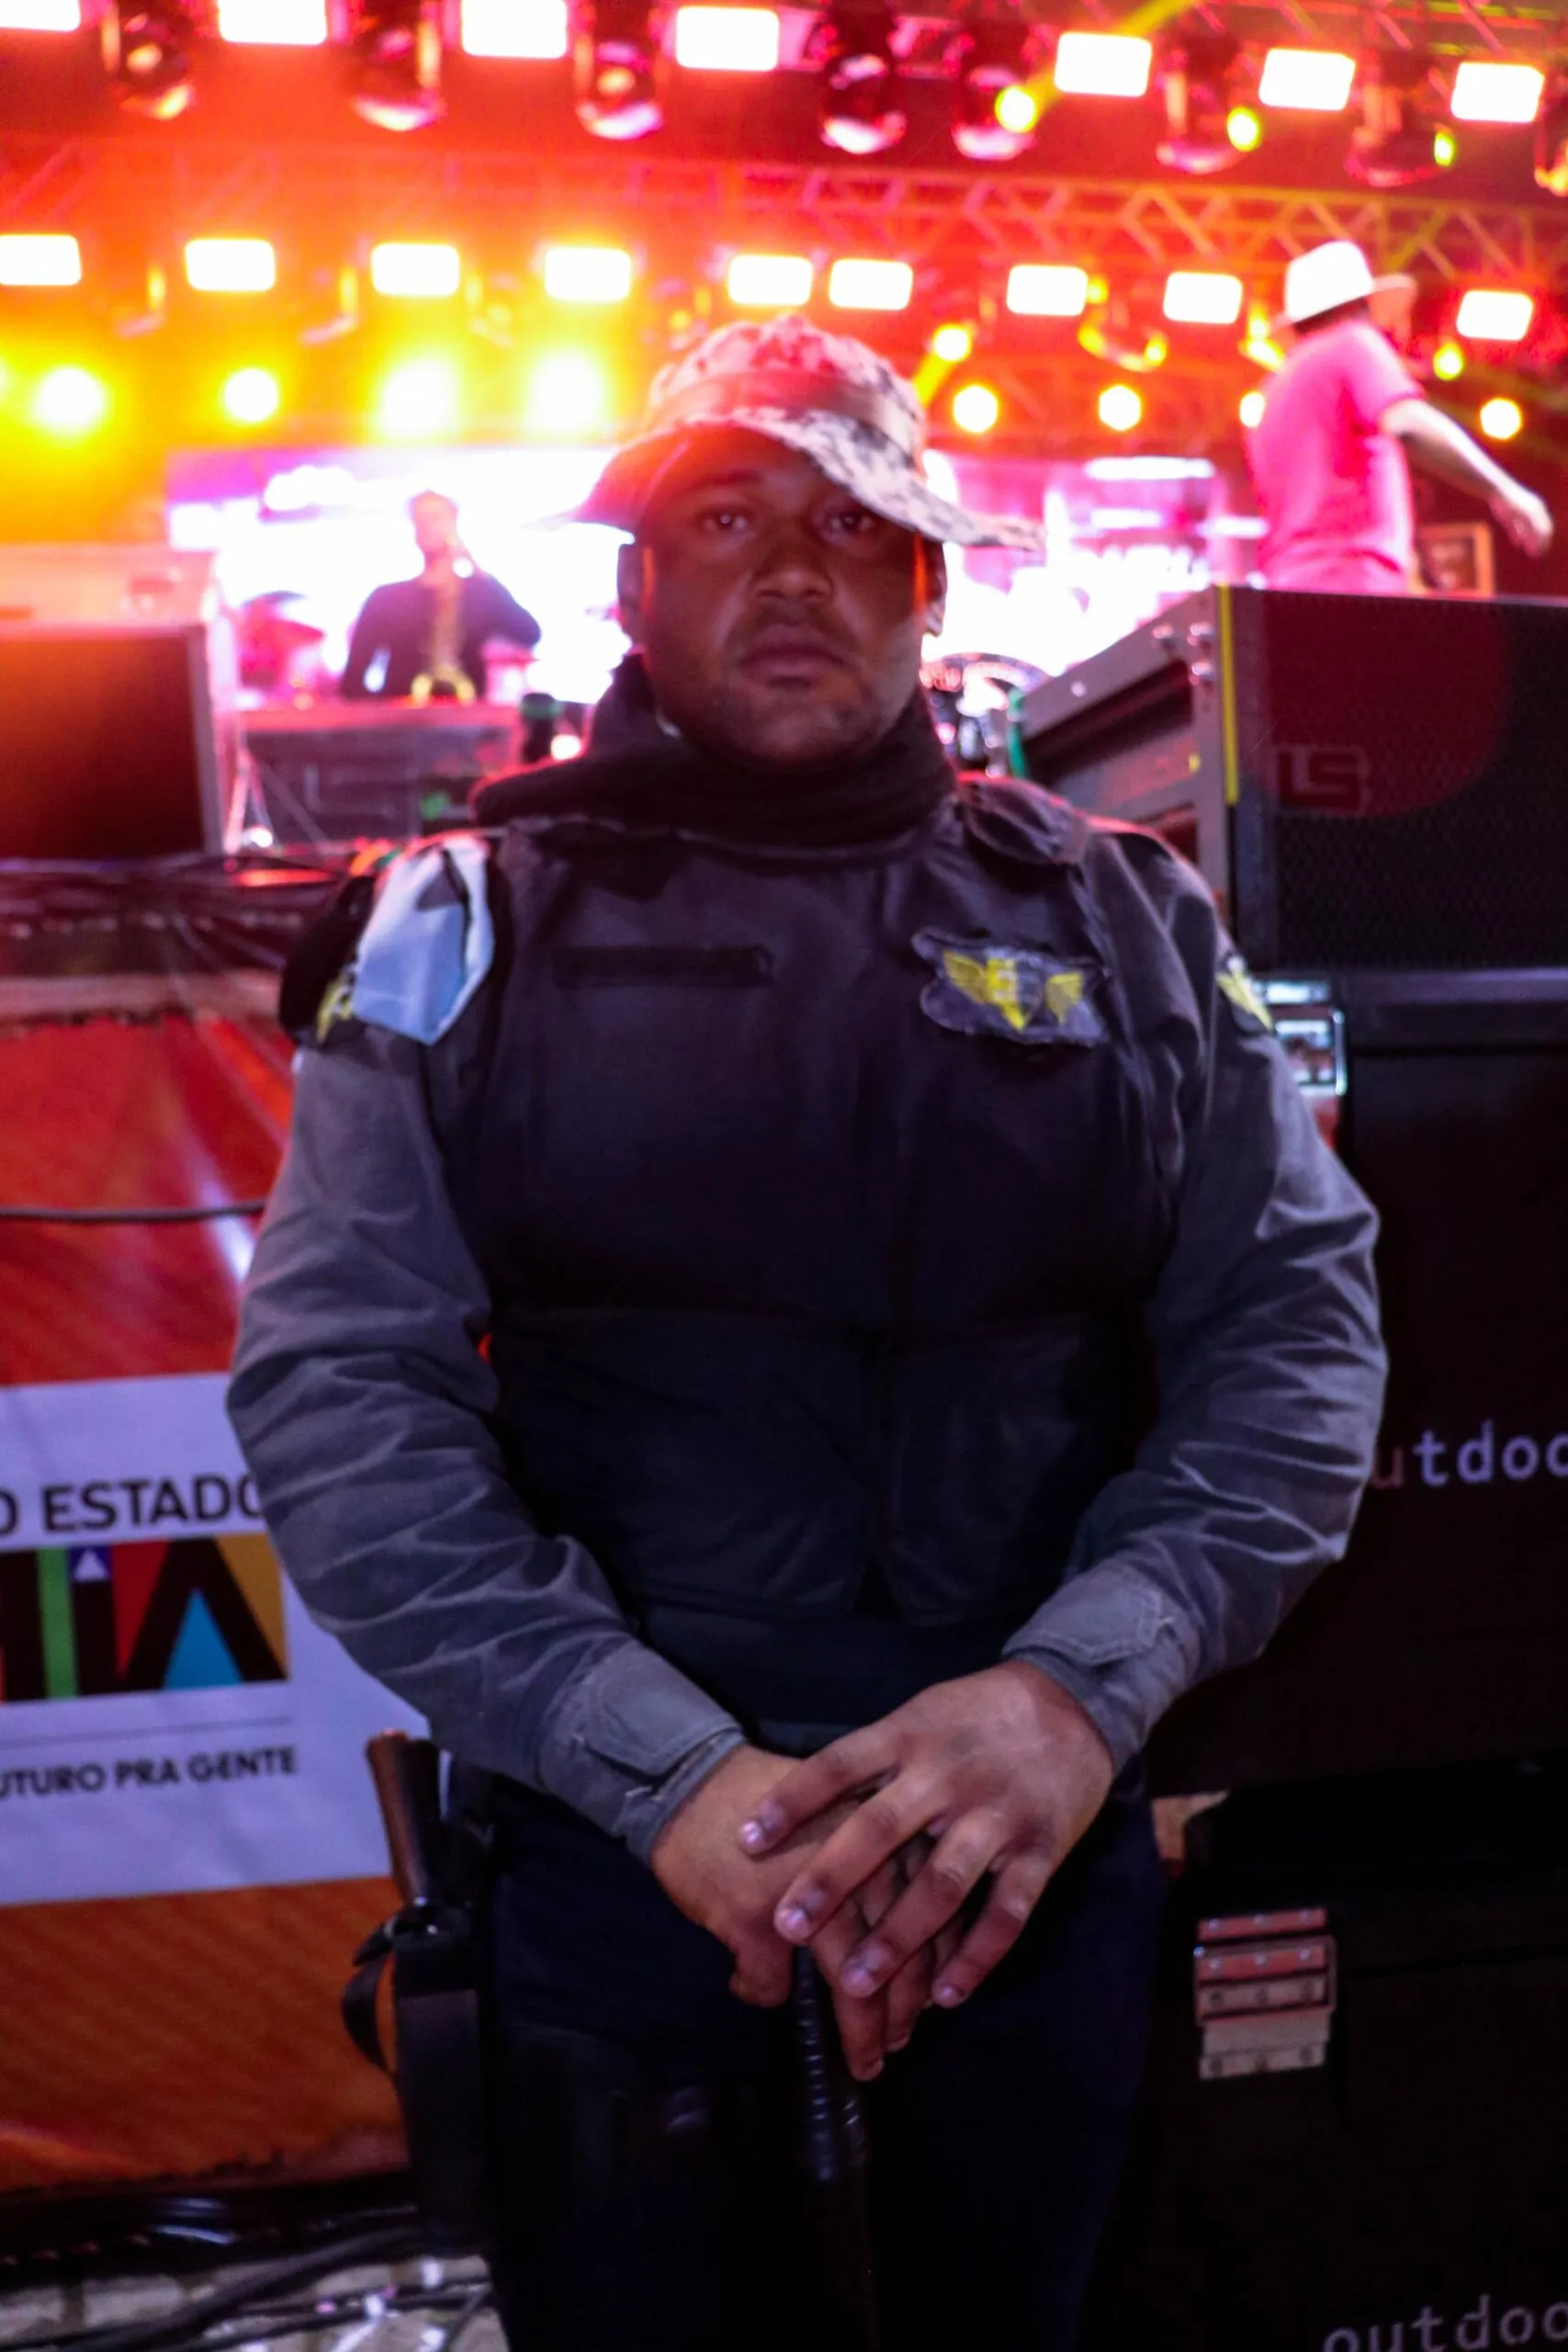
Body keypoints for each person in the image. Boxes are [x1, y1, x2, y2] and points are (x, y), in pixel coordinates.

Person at [230, 317, 1386, 2351]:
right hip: (624, 1873)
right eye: (724, 521)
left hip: (1034, 1850)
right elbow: (343, 1391)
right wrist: (674, 1780)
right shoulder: (460, 920)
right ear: (630, 588)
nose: (790, 573)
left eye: (852, 529)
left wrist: (1072, 1695)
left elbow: (1289, 1327)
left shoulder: (1127, 920)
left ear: (927, 587)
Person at [1247, 238, 1552, 593]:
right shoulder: (1351, 342)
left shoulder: (1273, 389)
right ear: (1363, 304)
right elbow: (1407, 423)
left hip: (1287, 587)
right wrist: (1505, 490)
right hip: (1353, 583)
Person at [340, 488, 541, 700]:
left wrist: (477, 569)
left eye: (434, 517)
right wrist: (388, 709)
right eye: (419, 519)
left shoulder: (481, 593)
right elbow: (352, 683)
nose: (426, 526)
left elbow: (529, 633)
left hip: (468, 715)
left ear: (454, 524)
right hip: (403, 716)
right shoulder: (385, 598)